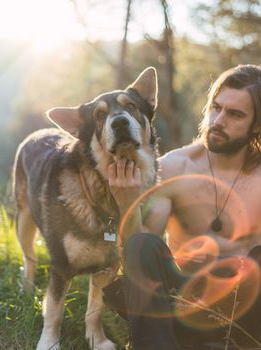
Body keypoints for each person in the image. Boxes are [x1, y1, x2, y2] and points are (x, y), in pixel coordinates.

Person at [108, 64, 261, 350]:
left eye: (235, 114)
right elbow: (139, 257)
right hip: (181, 305)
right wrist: (127, 202)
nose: (218, 120)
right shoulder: (174, 167)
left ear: (257, 124)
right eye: (216, 108)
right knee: (142, 244)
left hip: (246, 315)